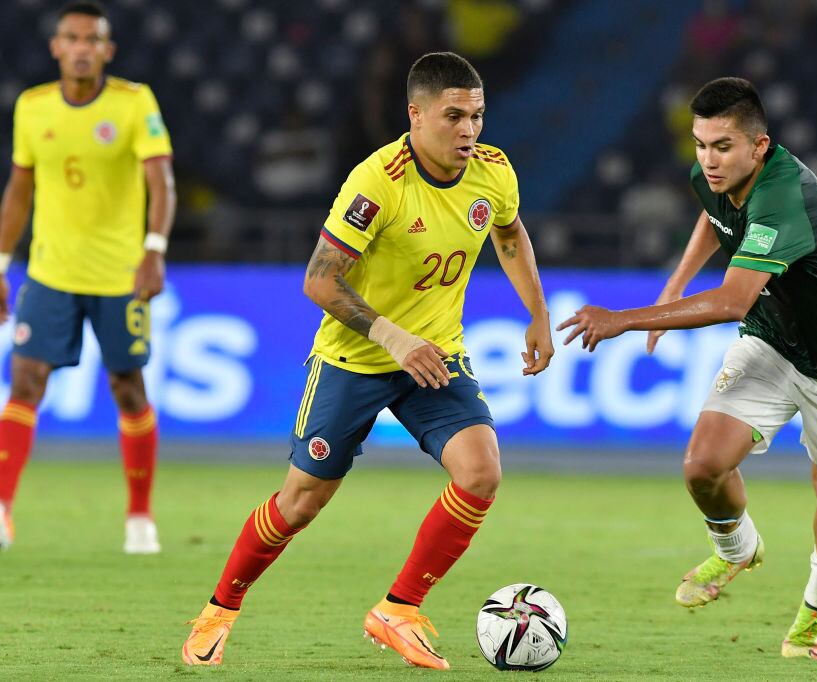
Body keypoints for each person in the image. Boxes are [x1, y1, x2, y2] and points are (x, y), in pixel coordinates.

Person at [181, 51, 553, 670]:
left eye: (478, 116)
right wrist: (392, 337)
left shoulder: (494, 172)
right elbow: (319, 283)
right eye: (454, 116)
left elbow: (510, 235)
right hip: (355, 359)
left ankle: (399, 609)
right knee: (300, 503)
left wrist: (537, 313)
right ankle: (218, 610)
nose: (469, 130)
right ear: (416, 114)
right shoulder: (377, 180)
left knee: (481, 471)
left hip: (434, 356)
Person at [558, 77, 817, 660]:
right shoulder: (713, 177)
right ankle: (738, 548)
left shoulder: (782, 199)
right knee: (702, 467)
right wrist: (674, 285)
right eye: (700, 144)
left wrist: (626, 318)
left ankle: (815, 613)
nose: (708, 161)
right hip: (774, 339)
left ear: (759, 146)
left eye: (722, 147)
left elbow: (732, 301)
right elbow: (713, 216)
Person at [0, 1, 176, 554]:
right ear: (56, 47)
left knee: (128, 389)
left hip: (118, 277)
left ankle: (140, 516)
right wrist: (1, 263)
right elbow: (20, 189)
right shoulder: (32, 107)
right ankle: (1, 509)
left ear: (107, 50)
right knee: (25, 381)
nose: (81, 47)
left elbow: (161, 180)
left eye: (92, 39)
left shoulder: (133, 102)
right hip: (50, 272)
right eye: (71, 38)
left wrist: (154, 250)